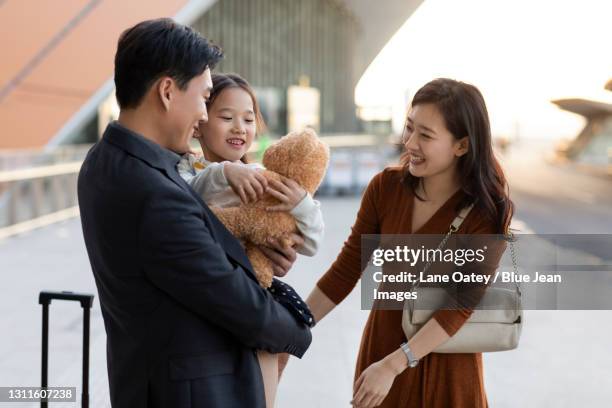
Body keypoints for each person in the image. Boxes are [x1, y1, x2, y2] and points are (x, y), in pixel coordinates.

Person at [78, 18, 311, 408]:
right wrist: (300, 329)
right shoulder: (154, 193)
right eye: (204, 97)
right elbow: (236, 302)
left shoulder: (104, 162)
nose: (204, 115)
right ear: (168, 91)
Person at [303, 78, 514, 407]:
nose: (410, 143)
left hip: (446, 372)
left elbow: (459, 306)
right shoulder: (385, 188)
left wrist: (394, 364)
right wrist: (291, 326)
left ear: (461, 145)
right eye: (409, 128)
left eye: (425, 135)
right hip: (381, 357)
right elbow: (346, 269)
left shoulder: (487, 212)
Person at [177, 72, 323, 408]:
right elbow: (194, 193)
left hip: (254, 309)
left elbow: (312, 242)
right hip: (211, 315)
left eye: (249, 118)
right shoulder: (186, 170)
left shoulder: (262, 179)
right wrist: (226, 171)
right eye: (226, 117)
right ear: (199, 124)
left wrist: (300, 204)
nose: (239, 127)